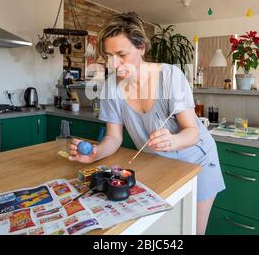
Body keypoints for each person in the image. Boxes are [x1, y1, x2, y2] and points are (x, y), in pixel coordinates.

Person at [66, 12, 225, 235]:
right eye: (109, 56)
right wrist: (96, 153)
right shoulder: (111, 87)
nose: (114, 64)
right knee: (163, 230)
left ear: (141, 47)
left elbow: (192, 133)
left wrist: (172, 140)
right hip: (158, 162)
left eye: (121, 54)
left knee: (190, 231)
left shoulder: (171, 77)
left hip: (197, 161)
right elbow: (114, 137)